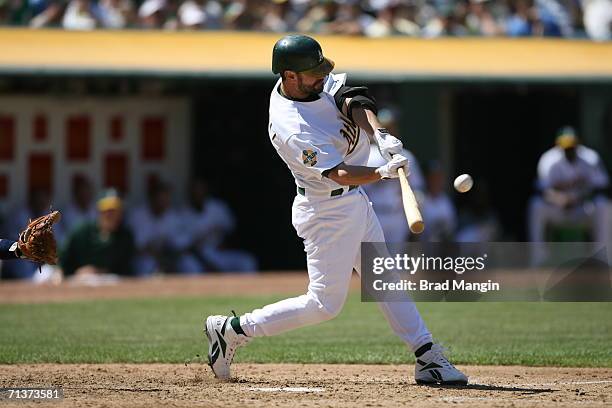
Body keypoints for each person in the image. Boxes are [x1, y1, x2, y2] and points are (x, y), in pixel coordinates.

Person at [204, 34, 468, 385]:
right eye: (312, 74)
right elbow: (338, 173)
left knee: (385, 278)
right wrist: (381, 172)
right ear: (289, 76)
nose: (321, 77)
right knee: (324, 305)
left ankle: (427, 356)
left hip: (353, 203)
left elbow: (352, 98)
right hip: (326, 211)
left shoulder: (308, 83)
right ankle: (233, 329)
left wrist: (379, 133)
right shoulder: (293, 127)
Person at [528, 126, 610, 244]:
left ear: (578, 144)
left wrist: (580, 196)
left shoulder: (590, 158)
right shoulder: (548, 160)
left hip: (583, 209)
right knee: (535, 204)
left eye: (572, 146)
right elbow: (541, 190)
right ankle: (538, 257)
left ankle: (602, 255)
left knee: (603, 204)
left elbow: (602, 187)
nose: (569, 150)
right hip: (559, 210)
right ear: (558, 145)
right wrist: (559, 199)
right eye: (566, 147)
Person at [363, 108, 425, 242]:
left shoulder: (405, 156)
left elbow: (417, 189)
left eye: (392, 125)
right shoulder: (367, 154)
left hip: (396, 216)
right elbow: (360, 189)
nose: (390, 130)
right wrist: (380, 176)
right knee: (372, 258)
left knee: (396, 260)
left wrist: (418, 204)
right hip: (373, 214)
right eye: (385, 126)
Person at [180, 178, 257, 273]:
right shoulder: (183, 214)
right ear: (190, 193)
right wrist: (206, 263)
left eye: (201, 189)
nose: (198, 193)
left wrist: (226, 244)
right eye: (195, 190)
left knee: (247, 261)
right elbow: (187, 246)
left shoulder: (218, 208)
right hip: (199, 258)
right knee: (188, 264)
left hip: (220, 253)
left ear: (206, 191)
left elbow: (232, 231)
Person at [59, 190, 136, 277]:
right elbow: (63, 259)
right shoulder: (82, 231)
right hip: (76, 281)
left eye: (116, 211)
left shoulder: (125, 236)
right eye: (107, 211)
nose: (112, 215)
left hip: (112, 284)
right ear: (99, 211)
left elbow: (125, 270)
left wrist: (97, 271)